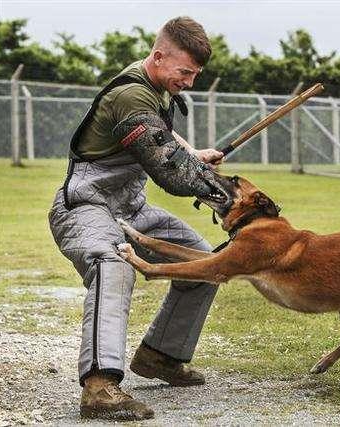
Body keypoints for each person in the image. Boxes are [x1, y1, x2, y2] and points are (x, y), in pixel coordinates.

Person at [48, 17, 226, 421]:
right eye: (185, 72)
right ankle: (98, 387)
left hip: (130, 206)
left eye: (196, 75)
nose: (190, 83)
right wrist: (223, 191)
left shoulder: (153, 86)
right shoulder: (131, 95)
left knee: (202, 264)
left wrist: (195, 155)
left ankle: (160, 356)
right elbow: (170, 172)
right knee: (114, 264)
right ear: (159, 56)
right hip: (87, 204)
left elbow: (163, 137)